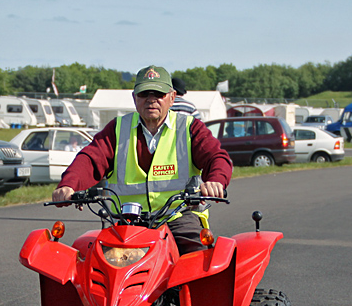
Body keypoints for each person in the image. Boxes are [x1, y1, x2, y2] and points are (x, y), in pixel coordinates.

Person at [52, 65, 232, 255]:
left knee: (199, 260)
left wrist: (216, 181)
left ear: (172, 97)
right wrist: (69, 185)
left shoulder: (189, 127)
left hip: (178, 218)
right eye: (144, 94)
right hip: (127, 222)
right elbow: (90, 158)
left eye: (159, 94)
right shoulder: (118, 128)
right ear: (134, 98)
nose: (151, 100)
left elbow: (217, 157)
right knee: (96, 262)